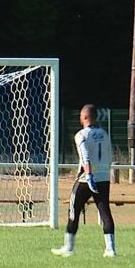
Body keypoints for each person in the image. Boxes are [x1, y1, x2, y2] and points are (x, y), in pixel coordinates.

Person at [52, 104, 116, 257]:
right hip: (103, 178)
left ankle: (69, 247)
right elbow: (110, 155)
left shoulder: (81, 135)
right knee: (104, 210)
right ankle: (110, 249)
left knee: (74, 209)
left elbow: (85, 156)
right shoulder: (105, 134)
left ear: (85, 117)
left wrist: (88, 175)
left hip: (87, 179)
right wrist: (105, 172)